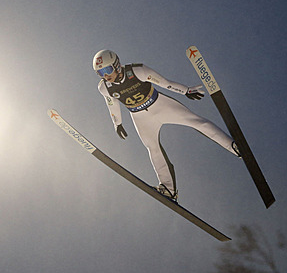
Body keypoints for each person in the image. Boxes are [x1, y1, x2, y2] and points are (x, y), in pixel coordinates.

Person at [93, 49, 239, 201]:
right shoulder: (104, 88)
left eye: (107, 70)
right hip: (140, 117)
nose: (105, 76)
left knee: (196, 122)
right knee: (152, 148)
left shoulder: (137, 71)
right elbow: (112, 104)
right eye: (100, 73)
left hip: (161, 106)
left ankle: (234, 147)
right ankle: (168, 189)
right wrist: (118, 123)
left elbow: (165, 83)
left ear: (117, 65)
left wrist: (186, 91)